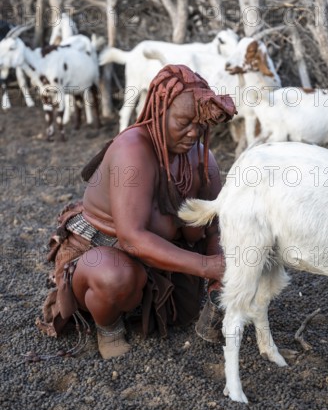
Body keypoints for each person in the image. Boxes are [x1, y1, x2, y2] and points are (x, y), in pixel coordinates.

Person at [36, 64, 236, 359]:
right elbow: (130, 238)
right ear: (160, 111)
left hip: (162, 258)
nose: (194, 132)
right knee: (116, 277)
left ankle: (144, 300)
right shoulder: (133, 149)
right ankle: (108, 325)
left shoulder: (203, 158)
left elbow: (215, 227)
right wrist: (207, 267)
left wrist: (219, 281)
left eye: (201, 124)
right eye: (183, 122)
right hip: (104, 254)